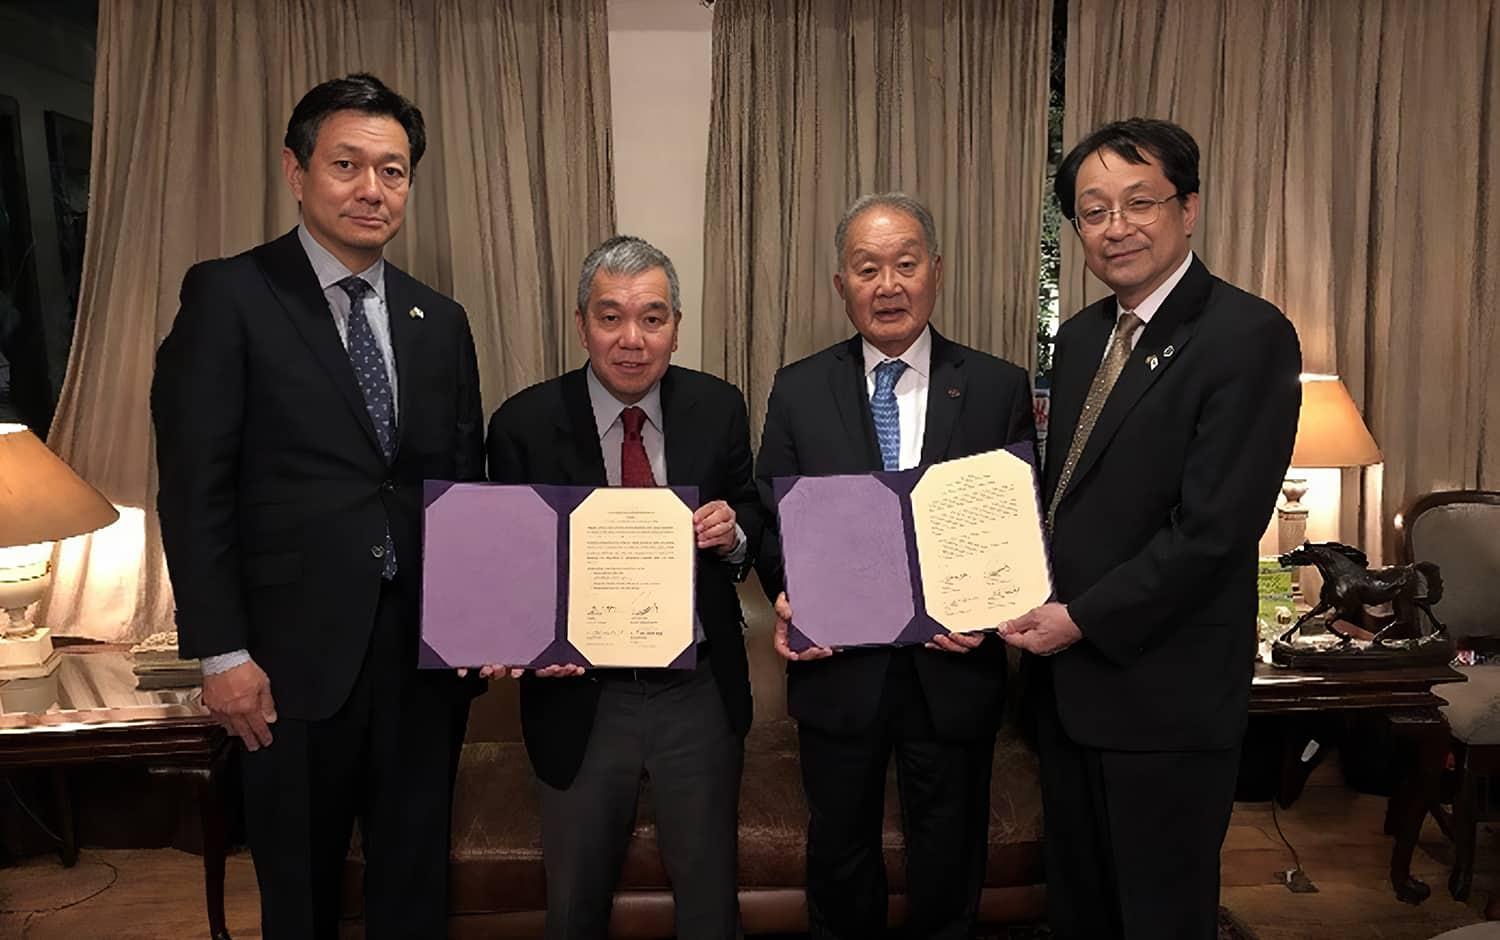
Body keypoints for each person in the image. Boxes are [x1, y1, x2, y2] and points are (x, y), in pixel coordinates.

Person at [152, 73, 483, 937]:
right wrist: (220, 652)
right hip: (286, 665)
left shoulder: (437, 319)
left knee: (413, 883)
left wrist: (480, 623)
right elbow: (195, 488)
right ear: (297, 172)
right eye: (348, 164)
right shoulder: (230, 296)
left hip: (420, 657)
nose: (372, 189)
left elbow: (456, 490)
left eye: (394, 170)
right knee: (299, 892)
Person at [1001, 118, 1302, 940]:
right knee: (1082, 909)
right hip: (1067, 694)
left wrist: (1081, 618)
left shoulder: (1248, 336)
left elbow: (1212, 532)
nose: (1115, 226)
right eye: (1092, 211)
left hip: (1163, 694)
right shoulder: (1081, 337)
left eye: (1140, 202)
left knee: (1160, 918)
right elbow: (1061, 500)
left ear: (1189, 207)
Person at [755, 193, 1035, 939]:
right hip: (839, 665)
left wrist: (985, 609)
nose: (889, 284)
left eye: (905, 264)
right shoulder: (799, 387)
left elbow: (1019, 521)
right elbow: (770, 512)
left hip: (954, 666)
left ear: (935, 272)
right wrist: (790, 594)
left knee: (950, 853)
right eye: (867, 267)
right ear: (840, 284)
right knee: (841, 852)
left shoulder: (997, 387)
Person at [485, 235, 761, 939]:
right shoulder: (520, 426)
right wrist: (519, 639)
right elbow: (505, 564)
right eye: (611, 317)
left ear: (675, 326)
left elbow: (752, 515)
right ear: (582, 324)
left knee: (710, 909)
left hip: (696, 690)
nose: (632, 339)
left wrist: (734, 533)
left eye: (652, 318)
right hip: (580, 694)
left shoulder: (718, 406)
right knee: (574, 907)